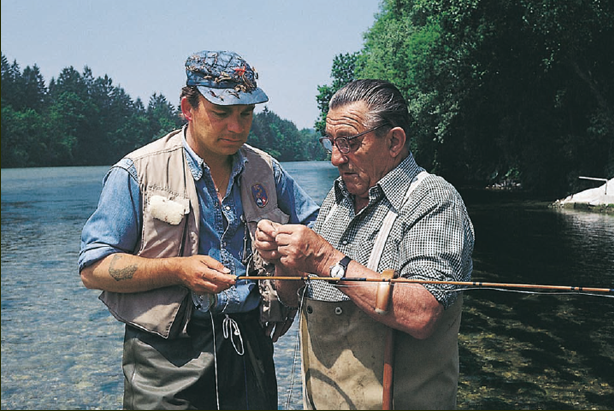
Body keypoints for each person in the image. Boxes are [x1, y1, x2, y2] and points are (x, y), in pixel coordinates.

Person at [79, 50, 319, 410]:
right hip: (164, 357)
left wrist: (292, 252)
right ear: (187, 107)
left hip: (250, 347)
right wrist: (177, 270)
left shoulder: (267, 171)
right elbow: (93, 269)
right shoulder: (136, 172)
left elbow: (321, 232)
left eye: (246, 113)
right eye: (221, 113)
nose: (236, 127)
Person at [254, 79, 475, 410]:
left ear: (394, 141)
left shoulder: (434, 200)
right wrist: (284, 260)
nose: (335, 158)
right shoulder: (337, 198)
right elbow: (292, 298)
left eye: (348, 142)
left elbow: (422, 313)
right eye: (330, 142)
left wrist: (324, 258)